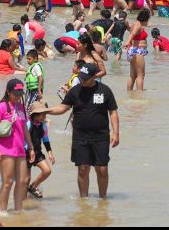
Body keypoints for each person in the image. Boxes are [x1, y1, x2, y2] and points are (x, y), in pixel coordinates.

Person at [47, 63, 120, 198]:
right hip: (80, 136)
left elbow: (113, 112)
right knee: (82, 169)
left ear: (94, 77)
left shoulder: (105, 91)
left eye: (85, 78)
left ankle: (103, 200)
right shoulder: (75, 91)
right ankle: (84, 200)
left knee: (102, 169)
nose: (82, 80)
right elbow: (63, 108)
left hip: (101, 136)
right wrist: (46, 111)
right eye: (81, 78)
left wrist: (116, 133)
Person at [0, 79, 35, 213]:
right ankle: (2, 211)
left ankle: (18, 209)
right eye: (15, 93)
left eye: (20, 93)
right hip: (5, 150)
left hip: (20, 149)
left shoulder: (21, 107)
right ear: (8, 92)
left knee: (23, 181)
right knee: (8, 182)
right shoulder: (1, 107)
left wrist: (31, 147)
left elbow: (25, 129)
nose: (18, 96)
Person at [26, 101, 55, 199]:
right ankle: (24, 201)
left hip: (38, 152)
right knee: (26, 179)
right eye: (43, 114)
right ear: (35, 115)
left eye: (45, 114)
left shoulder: (43, 125)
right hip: (26, 154)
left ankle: (33, 187)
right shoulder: (28, 124)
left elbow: (45, 139)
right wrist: (29, 150)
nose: (45, 116)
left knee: (47, 170)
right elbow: (21, 140)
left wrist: (50, 153)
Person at [124, 10, 150, 91]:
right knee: (140, 75)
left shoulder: (136, 24)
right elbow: (132, 34)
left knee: (133, 75)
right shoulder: (138, 25)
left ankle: (129, 93)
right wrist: (127, 42)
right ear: (146, 18)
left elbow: (131, 32)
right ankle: (140, 95)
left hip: (133, 50)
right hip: (137, 51)